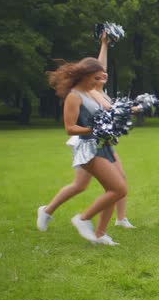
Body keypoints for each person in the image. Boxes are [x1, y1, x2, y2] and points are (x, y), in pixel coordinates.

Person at [37, 33, 135, 235]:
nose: (102, 75)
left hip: (102, 143)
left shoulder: (96, 90)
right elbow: (98, 67)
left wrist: (137, 107)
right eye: (98, 75)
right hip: (87, 144)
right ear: (90, 76)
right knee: (87, 186)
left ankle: (112, 223)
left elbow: (99, 72)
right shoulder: (87, 91)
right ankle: (50, 212)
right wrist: (104, 45)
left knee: (111, 184)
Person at [45, 57, 127, 245]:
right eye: (95, 78)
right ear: (86, 75)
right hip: (88, 149)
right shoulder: (74, 96)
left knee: (116, 189)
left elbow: (106, 113)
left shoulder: (90, 93)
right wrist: (94, 130)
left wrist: (112, 125)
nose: (97, 82)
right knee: (118, 188)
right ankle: (82, 219)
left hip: (102, 145)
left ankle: (100, 234)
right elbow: (70, 128)